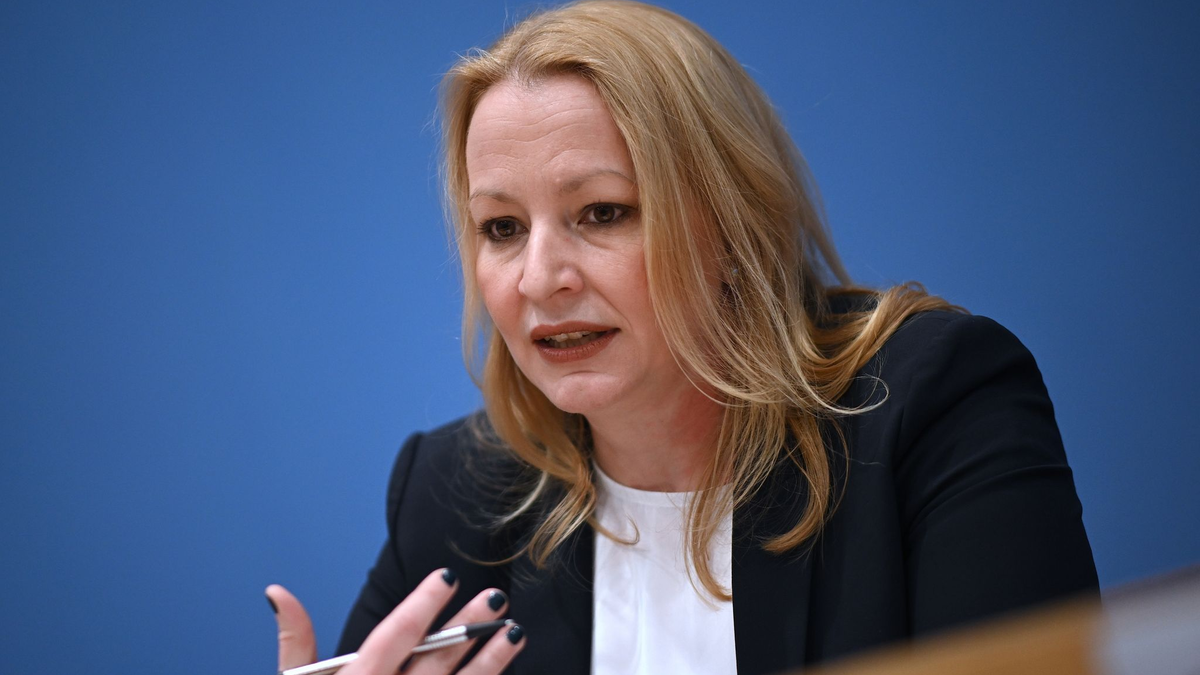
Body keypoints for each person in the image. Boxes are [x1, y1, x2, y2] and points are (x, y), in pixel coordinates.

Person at [267, 2, 1099, 674]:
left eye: (603, 213)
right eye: (502, 227)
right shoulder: (454, 496)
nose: (538, 278)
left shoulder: (933, 404)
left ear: (731, 229)